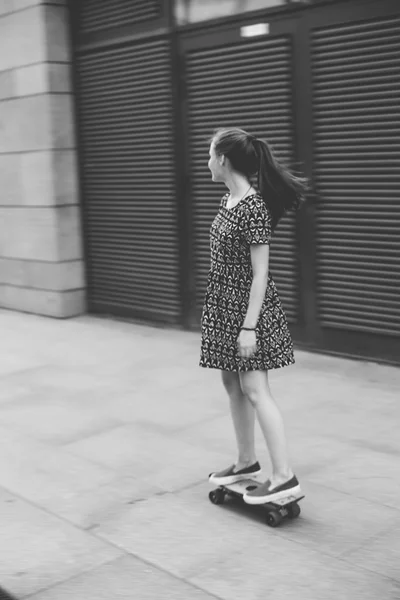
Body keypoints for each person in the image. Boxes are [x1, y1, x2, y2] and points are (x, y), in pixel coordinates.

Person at [199, 127, 308, 505]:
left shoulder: (253, 206)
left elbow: (261, 271)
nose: (207, 161)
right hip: (223, 307)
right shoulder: (229, 200)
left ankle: (283, 476)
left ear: (224, 160)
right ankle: (246, 461)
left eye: (211, 154)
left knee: (256, 390)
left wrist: (249, 327)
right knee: (233, 385)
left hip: (249, 311)